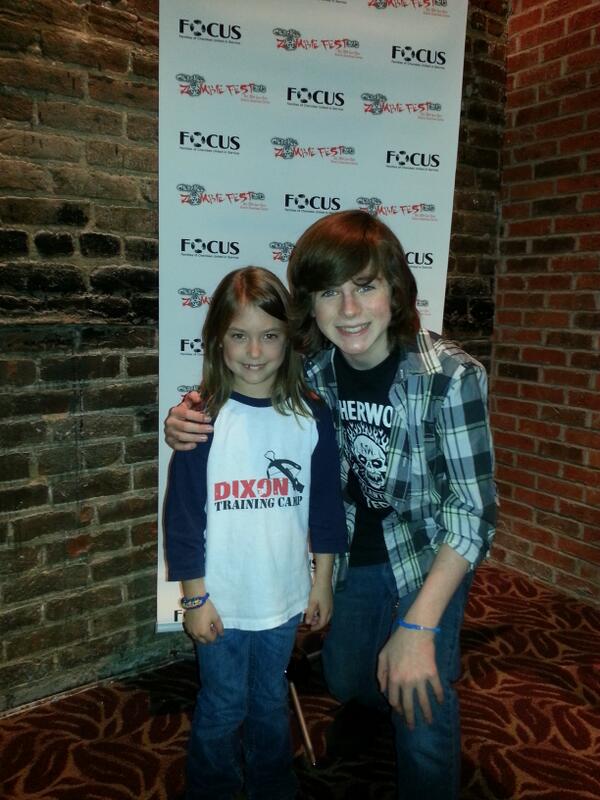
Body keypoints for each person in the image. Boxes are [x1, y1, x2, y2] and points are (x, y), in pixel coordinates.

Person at [164, 211, 497, 800]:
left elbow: (473, 515)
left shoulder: (450, 377)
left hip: (428, 552)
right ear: (310, 308)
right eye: (328, 293)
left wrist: (418, 627)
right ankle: (376, 688)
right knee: (345, 677)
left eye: (365, 286)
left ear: (396, 291)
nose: (348, 310)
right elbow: (246, 398)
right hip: (355, 551)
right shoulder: (313, 374)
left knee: (416, 688)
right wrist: (182, 421)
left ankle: (412, 695)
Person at [163, 266, 347, 800]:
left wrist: (323, 580)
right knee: (222, 704)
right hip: (220, 600)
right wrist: (194, 598)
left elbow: (326, 509)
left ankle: (273, 784)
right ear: (218, 340)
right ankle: (212, 787)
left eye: (269, 335)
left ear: (288, 339)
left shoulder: (312, 415)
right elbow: (183, 517)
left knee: (269, 700)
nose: (254, 351)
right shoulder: (202, 418)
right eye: (239, 335)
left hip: (284, 598)